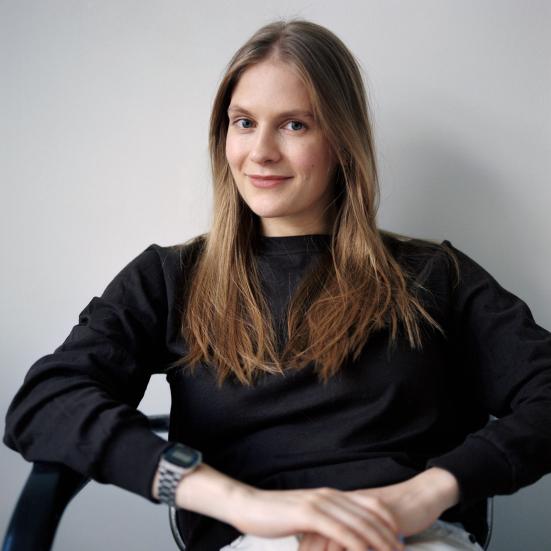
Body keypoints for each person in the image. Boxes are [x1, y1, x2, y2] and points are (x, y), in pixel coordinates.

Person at [4, 18, 551, 551]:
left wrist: (424, 495)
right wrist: (241, 502)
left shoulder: (434, 274)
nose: (261, 151)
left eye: (295, 125)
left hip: (409, 538)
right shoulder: (169, 280)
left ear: (342, 141)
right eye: (244, 122)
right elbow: (46, 404)